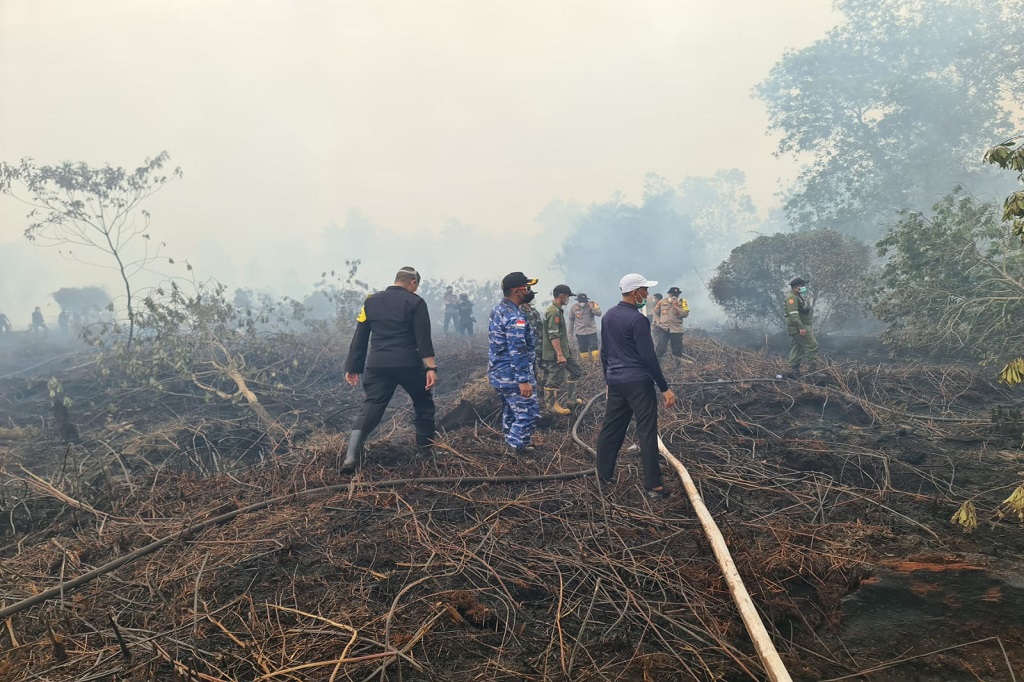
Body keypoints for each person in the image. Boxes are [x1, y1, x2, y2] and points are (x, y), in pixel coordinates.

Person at [342, 266, 438, 474]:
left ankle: (351, 456)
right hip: (408, 364)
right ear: (413, 283)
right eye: (416, 286)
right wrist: (431, 368)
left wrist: (353, 367)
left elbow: (360, 335)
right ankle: (424, 454)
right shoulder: (416, 302)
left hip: (378, 364)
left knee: (372, 405)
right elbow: (423, 338)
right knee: (423, 404)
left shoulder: (370, 301)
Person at [595, 273, 676, 500]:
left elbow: (605, 353)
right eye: (644, 290)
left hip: (616, 381)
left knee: (611, 428)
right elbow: (648, 357)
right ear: (634, 292)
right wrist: (664, 387)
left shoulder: (608, 316)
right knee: (646, 431)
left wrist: (608, 380)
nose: (647, 294)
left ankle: (602, 476)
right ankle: (654, 486)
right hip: (638, 382)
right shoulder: (638, 320)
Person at [488, 272, 541, 454]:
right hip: (512, 375)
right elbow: (518, 349)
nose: (529, 291)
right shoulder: (514, 317)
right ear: (517, 291)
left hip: (500, 374)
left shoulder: (499, 309)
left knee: (511, 411)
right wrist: (523, 380)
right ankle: (515, 449)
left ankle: (516, 444)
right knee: (528, 412)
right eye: (527, 288)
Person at [541, 284, 584, 416]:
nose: (568, 299)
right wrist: (559, 354)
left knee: (576, 371)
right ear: (562, 296)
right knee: (554, 378)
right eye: (568, 296)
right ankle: (551, 406)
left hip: (564, 351)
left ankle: (571, 400)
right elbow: (553, 335)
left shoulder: (558, 310)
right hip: (556, 353)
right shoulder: (553, 312)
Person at [785, 276, 818, 379]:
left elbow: (803, 310)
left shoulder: (798, 297)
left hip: (801, 326)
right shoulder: (792, 298)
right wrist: (801, 328)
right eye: (802, 285)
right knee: (812, 345)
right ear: (796, 287)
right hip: (799, 327)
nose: (804, 287)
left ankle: (794, 371)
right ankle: (813, 371)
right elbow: (793, 315)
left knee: (798, 347)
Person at [654, 287, 690, 363]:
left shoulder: (683, 302)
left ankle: (677, 366)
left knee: (677, 351)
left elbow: (685, 314)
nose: (674, 296)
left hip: (676, 329)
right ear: (669, 294)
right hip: (664, 328)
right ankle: (657, 365)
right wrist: (657, 321)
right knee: (660, 349)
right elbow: (656, 312)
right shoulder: (662, 302)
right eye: (672, 294)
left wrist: (676, 307)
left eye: (676, 295)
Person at [520, 298, 545, 398]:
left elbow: (541, 327)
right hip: (529, 347)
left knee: (545, 367)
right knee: (531, 369)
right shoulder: (520, 312)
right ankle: (533, 392)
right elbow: (520, 331)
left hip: (540, 344)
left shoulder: (534, 311)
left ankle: (543, 390)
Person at [568, 293, 602, 363]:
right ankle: (585, 363)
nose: (582, 303)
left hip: (591, 331)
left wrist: (592, 308)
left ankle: (596, 363)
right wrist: (570, 334)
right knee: (583, 349)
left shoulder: (592, 305)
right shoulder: (574, 308)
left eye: (584, 301)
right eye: (580, 301)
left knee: (594, 347)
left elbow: (599, 313)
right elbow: (571, 321)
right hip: (580, 332)